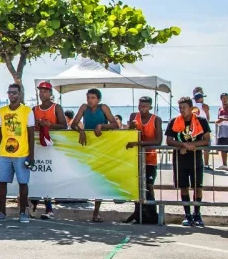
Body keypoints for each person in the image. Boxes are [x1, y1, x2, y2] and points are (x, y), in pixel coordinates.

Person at [71, 88, 119, 222]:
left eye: (92, 97)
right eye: (88, 97)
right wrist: (80, 130)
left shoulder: (103, 108)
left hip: (102, 146)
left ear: (98, 99)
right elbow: (73, 124)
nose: (90, 100)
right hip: (87, 145)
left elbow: (115, 125)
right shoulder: (83, 107)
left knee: (100, 176)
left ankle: (96, 212)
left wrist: (102, 126)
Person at [0, 84, 35, 223]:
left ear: (19, 94)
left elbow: (31, 134)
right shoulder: (2, 111)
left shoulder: (27, 111)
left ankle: (22, 212)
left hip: (21, 154)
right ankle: (2, 212)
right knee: (2, 182)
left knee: (23, 183)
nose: (12, 95)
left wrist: (31, 155)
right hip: (5, 153)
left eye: (14, 93)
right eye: (10, 93)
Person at [166, 96, 211, 227]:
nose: (182, 110)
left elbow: (206, 140)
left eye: (184, 108)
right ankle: (187, 214)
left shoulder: (201, 121)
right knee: (184, 187)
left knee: (197, 187)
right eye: (180, 108)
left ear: (191, 108)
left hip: (196, 159)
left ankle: (197, 214)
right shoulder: (174, 121)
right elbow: (168, 140)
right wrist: (183, 145)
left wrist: (193, 145)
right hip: (180, 160)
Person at [32, 81, 67, 219]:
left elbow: (64, 125)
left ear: (51, 93)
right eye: (40, 91)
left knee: (49, 176)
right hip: (38, 146)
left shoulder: (56, 108)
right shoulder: (34, 109)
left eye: (45, 91)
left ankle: (48, 208)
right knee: (37, 176)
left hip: (52, 147)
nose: (42, 93)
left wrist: (49, 125)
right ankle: (34, 206)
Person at [126, 96, 163, 224]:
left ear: (150, 107)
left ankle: (152, 215)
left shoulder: (156, 119)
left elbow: (158, 141)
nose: (142, 109)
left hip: (150, 158)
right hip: (135, 158)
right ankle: (138, 213)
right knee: (136, 187)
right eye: (140, 106)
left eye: (145, 106)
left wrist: (139, 144)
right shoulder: (133, 116)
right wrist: (130, 126)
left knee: (149, 186)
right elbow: (128, 134)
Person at [192, 90, 212, 169]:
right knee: (206, 147)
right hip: (204, 128)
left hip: (195, 128)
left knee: (195, 146)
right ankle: (206, 165)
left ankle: (195, 164)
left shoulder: (192, 107)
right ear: (201, 98)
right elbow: (208, 118)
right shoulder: (205, 106)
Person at [216, 93, 228, 170]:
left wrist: (223, 119)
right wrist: (218, 121)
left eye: (226, 98)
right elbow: (218, 120)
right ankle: (224, 164)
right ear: (221, 99)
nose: (225, 99)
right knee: (223, 148)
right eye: (224, 98)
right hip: (221, 131)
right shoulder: (220, 109)